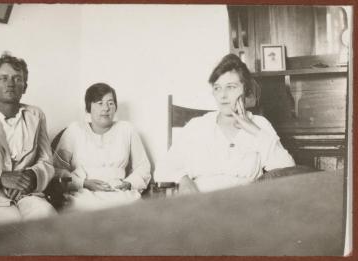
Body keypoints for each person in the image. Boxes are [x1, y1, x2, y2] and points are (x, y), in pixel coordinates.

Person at [154, 53, 295, 194]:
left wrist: (254, 130)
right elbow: (162, 169)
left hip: (247, 206)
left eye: (231, 87)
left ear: (245, 89)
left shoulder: (259, 124)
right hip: (200, 205)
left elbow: (289, 170)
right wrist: (184, 180)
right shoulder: (197, 126)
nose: (223, 95)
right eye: (217, 88)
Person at [0, 54, 56, 226]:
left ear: (25, 86)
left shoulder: (36, 115)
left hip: (28, 195)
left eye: (17, 78)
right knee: (7, 226)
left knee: (47, 218)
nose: (10, 83)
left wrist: (32, 176)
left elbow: (46, 161)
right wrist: (1, 177)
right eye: (3, 78)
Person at [53, 83, 151, 211]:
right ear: (89, 108)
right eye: (99, 103)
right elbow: (56, 169)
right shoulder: (75, 130)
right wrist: (83, 183)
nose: (106, 108)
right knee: (85, 209)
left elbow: (143, 167)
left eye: (110, 103)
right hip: (83, 194)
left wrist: (128, 183)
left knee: (137, 210)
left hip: (120, 193)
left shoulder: (127, 129)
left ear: (115, 107)